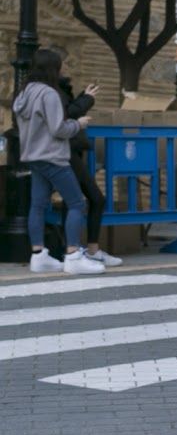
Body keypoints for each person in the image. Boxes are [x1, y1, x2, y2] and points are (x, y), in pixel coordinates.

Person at [15, 49, 104, 275]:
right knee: (76, 203)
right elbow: (59, 129)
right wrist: (78, 124)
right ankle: (73, 255)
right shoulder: (49, 94)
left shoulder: (23, 93)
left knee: (37, 205)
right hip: (53, 157)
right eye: (60, 65)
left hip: (33, 157)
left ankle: (39, 256)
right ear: (52, 68)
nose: (63, 68)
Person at [58, 74, 122, 267]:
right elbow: (67, 113)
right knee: (89, 199)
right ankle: (77, 251)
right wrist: (86, 99)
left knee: (74, 201)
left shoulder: (53, 90)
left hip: (67, 151)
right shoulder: (51, 91)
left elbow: (68, 110)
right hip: (65, 151)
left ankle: (76, 250)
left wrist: (83, 97)